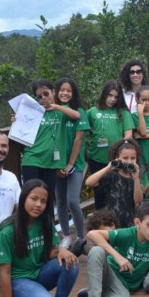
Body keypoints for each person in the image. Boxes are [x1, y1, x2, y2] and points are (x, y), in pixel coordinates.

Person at [0, 180, 79, 297]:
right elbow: (4, 272)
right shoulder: (7, 231)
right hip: (18, 280)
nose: (38, 205)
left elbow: (49, 252)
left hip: (39, 273)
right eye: (34, 199)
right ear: (23, 198)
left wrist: (62, 250)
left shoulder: (44, 222)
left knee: (71, 262)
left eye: (43, 201)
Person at [81, 202, 149, 297]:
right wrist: (117, 256)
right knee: (96, 251)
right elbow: (92, 234)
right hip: (109, 271)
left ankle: (94, 294)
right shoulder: (128, 234)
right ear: (138, 223)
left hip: (123, 285)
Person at [21, 79, 80, 202]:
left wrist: (56, 106)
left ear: (53, 92)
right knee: (30, 197)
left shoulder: (61, 111)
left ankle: (48, 222)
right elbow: (20, 129)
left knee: (47, 199)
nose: (44, 98)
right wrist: (15, 119)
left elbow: (76, 115)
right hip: (32, 159)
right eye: (39, 96)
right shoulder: (34, 111)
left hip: (51, 163)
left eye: (46, 93)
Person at [53, 77, 90, 237]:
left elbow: (78, 139)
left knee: (73, 201)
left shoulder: (80, 111)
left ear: (73, 93)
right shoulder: (51, 112)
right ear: (56, 92)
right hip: (56, 164)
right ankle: (66, 237)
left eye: (69, 90)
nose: (65, 93)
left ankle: (81, 237)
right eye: (62, 90)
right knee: (60, 201)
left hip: (75, 164)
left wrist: (70, 164)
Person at [85, 139, 143, 230]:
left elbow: (138, 201)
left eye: (133, 158)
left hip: (129, 222)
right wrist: (108, 167)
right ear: (117, 157)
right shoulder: (111, 176)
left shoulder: (134, 178)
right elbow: (89, 182)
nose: (129, 161)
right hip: (111, 223)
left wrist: (136, 178)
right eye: (125, 158)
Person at [86, 80, 135, 174]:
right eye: (110, 95)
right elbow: (80, 127)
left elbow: (128, 136)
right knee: (97, 187)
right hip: (95, 157)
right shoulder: (93, 111)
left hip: (116, 160)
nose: (113, 99)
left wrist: (117, 152)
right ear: (104, 94)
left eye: (116, 97)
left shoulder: (124, 112)